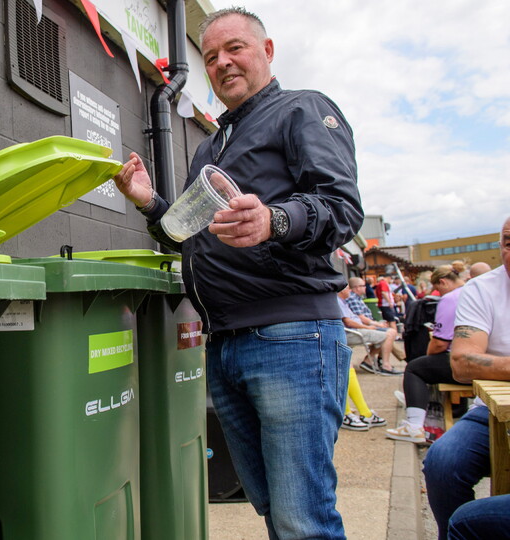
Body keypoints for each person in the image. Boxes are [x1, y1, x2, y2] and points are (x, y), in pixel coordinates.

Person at [112, 7, 362, 538]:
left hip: (291, 336)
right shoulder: (212, 145)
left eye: (235, 49)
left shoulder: (302, 110)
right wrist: (149, 202)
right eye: (210, 57)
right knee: (273, 508)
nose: (222, 63)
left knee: (303, 519)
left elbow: (341, 208)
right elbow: (185, 233)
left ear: (266, 52)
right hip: (224, 342)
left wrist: (274, 219)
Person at [422, 217, 510, 538]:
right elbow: (461, 362)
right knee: (442, 463)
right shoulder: (484, 288)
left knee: (417, 368)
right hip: (490, 410)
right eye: (508, 243)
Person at [385, 264, 466, 443]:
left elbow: (439, 343)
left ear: (443, 282)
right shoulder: (476, 291)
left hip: (467, 362)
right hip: (491, 358)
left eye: (437, 289)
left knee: (415, 368)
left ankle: (414, 426)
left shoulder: (451, 298)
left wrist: (429, 355)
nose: (438, 293)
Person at [338, 284, 402, 376]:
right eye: (348, 288)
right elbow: (349, 322)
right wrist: (370, 326)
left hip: (358, 329)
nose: (350, 291)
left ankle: (371, 361)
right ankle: (385, 365)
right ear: (342, 290)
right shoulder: (343, 301)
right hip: (353, 332)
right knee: (389, 334)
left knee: (388, 333)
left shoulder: (344, 301)